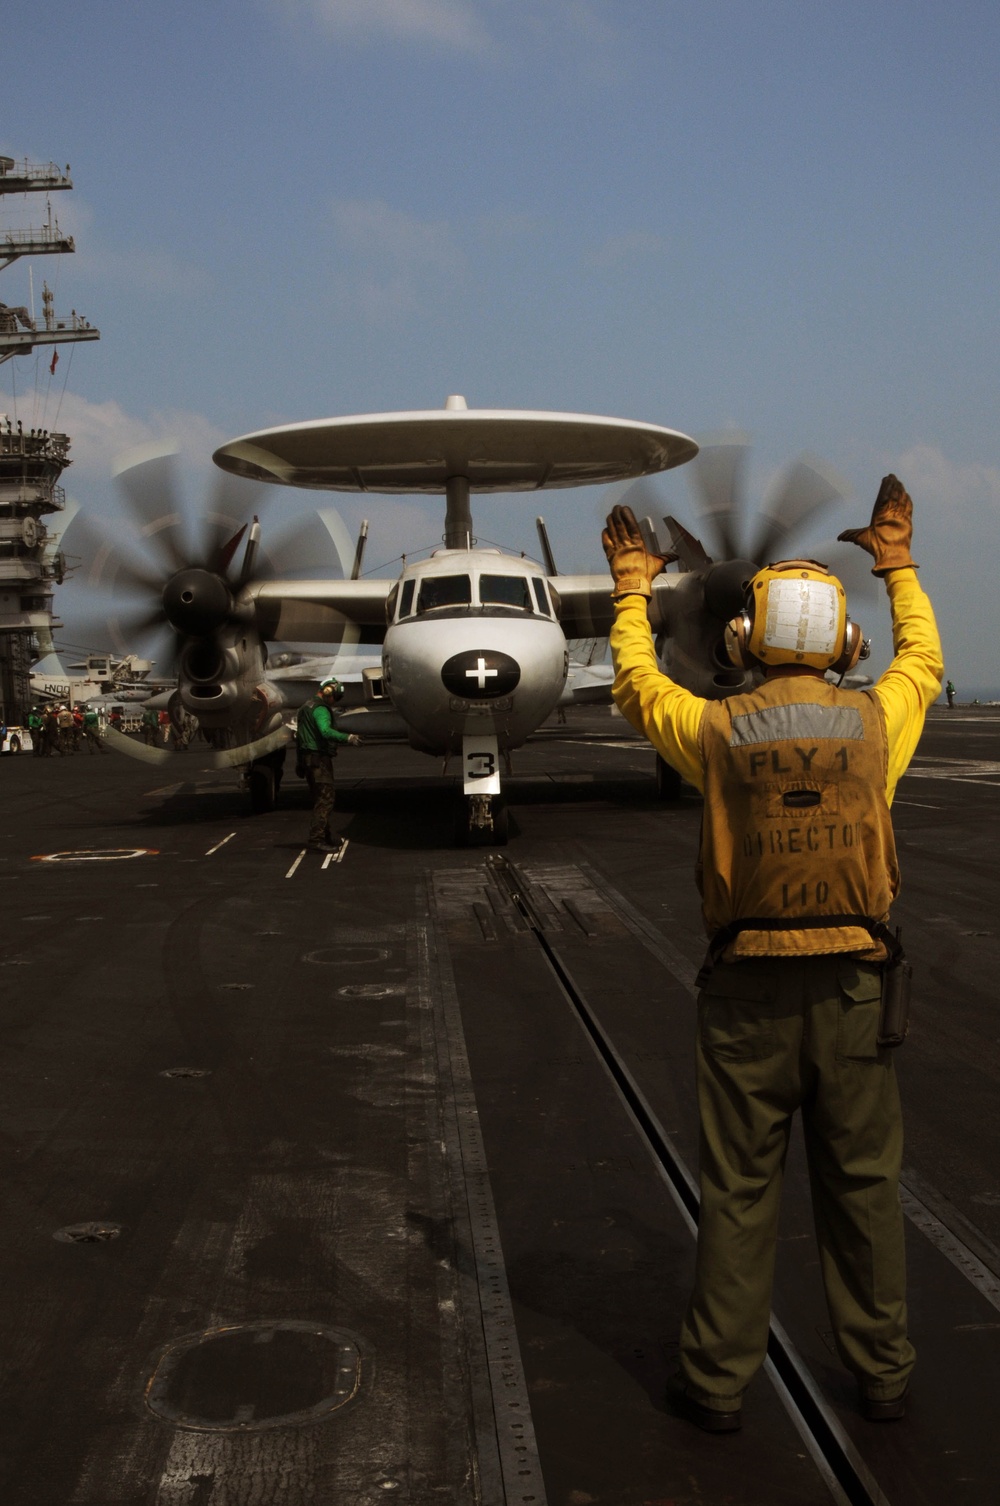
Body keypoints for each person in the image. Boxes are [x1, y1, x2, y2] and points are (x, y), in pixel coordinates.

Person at [602, 475, 943, 1433]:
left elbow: (637, 686)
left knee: (739, 1193)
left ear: (744, 641)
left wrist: (634, 591)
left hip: (745, 995)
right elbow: (922, 658)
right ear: (845, 642)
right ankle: (882, 1371)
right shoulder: (877, 725)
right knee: (865, 1187)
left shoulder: (715, 732)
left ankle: (715, 1385)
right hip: (856, 992)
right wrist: (899, 566)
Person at [295, 678, 362, 852]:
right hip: (319, 762)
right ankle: (316, 839)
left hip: (308, 759)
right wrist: (348, 738)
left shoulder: (305, 707)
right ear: (328, 692)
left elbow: (300, 737)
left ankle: (325, 836)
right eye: (336, 697)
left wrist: (299, 762)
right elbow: (325, 731)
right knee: (325, 800)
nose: (335, 701)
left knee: (320, 799)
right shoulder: (320, 710)